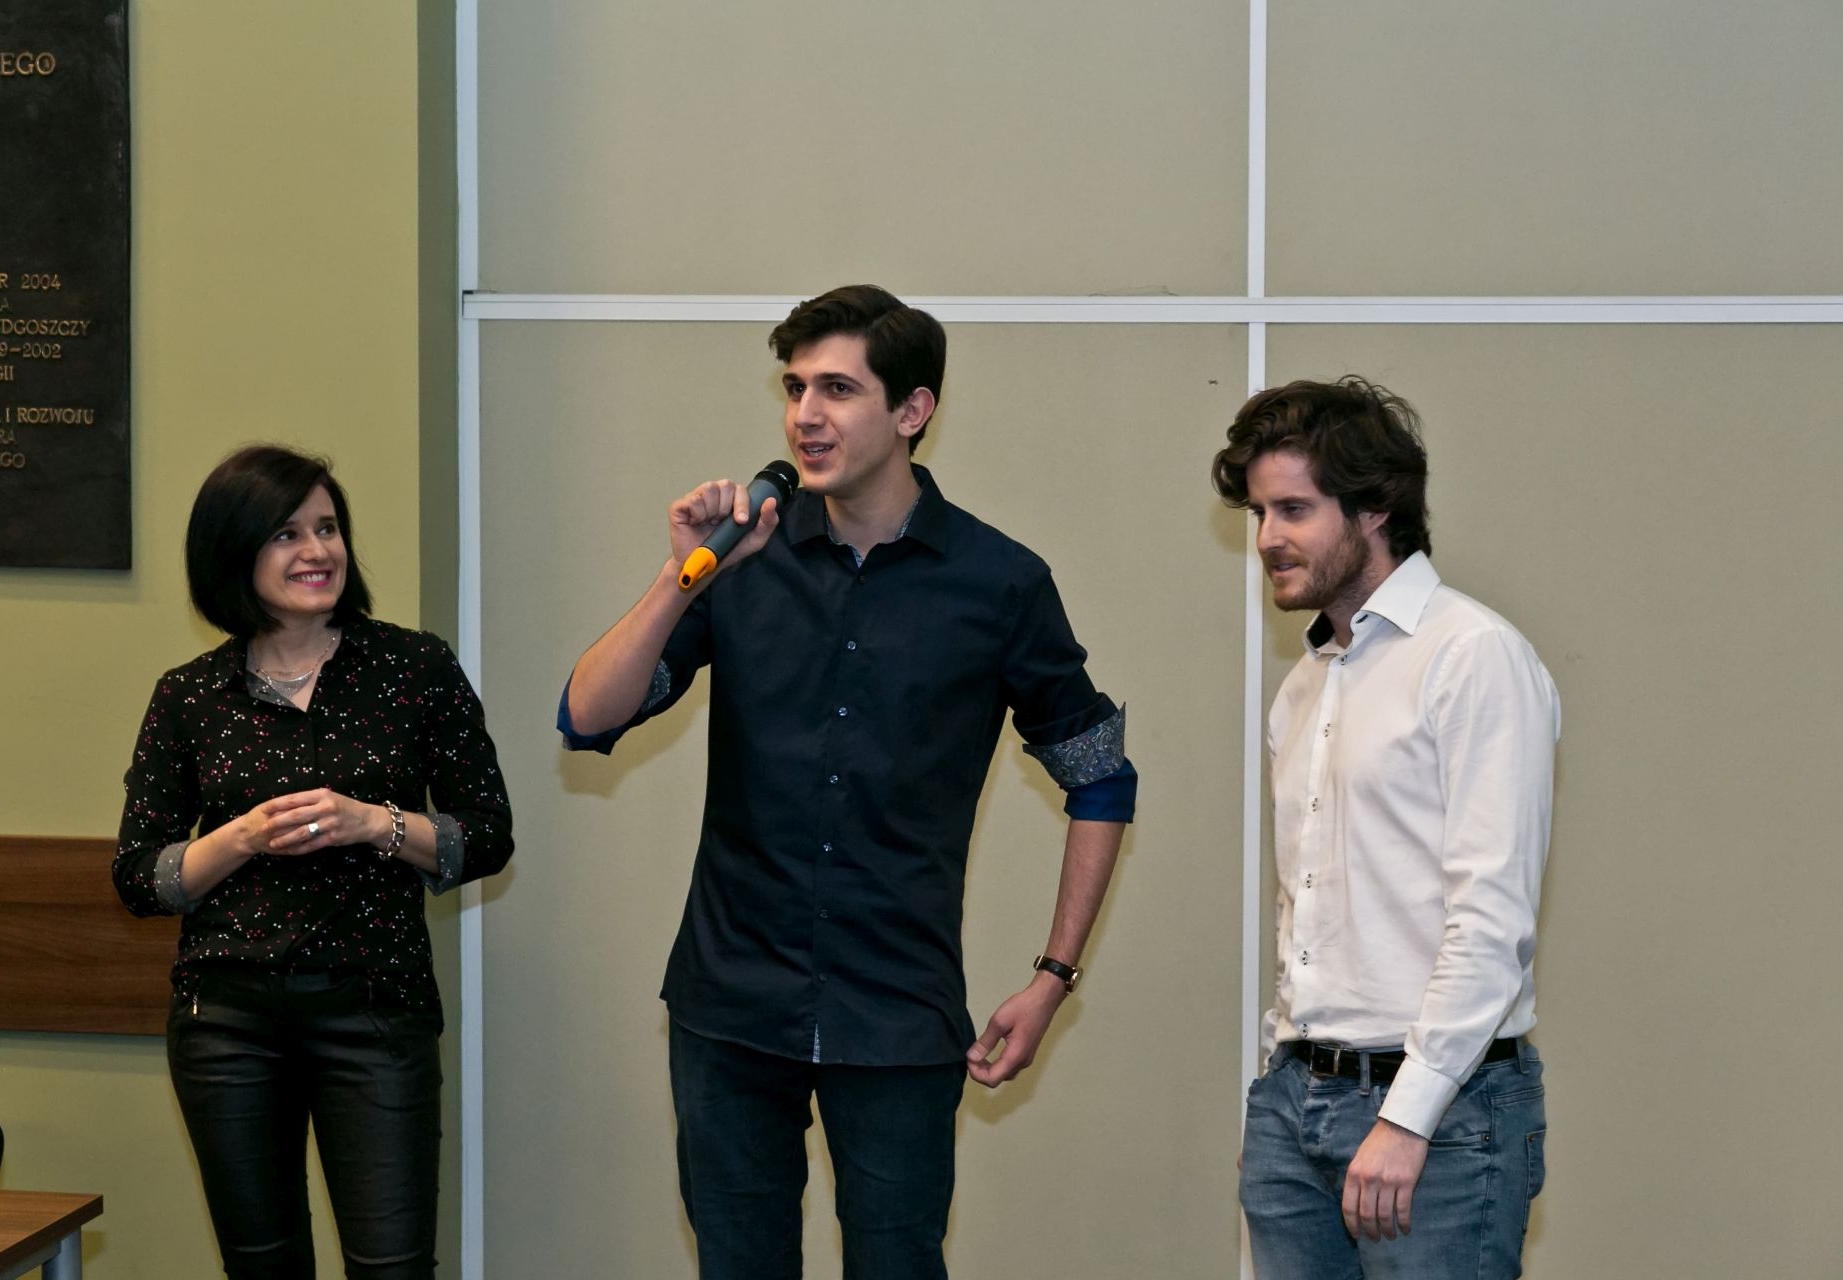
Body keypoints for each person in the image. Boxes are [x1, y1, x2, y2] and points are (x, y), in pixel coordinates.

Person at [559, 284, 1136, 1277]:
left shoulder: (1000, 582)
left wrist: (1055, 977)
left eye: (837, 388)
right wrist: (679, 577)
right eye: (794, 388)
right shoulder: (743, 559)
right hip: (729, 1006)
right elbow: (586, 716)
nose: (805, 415)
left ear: (912, 409)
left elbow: (1101, 778)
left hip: (897, 1012)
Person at [114, 445, 514, 1280]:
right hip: (226, 1022)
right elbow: (140, 877)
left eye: (327, 528)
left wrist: (374, 823)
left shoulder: (415, 668)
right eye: (286, 534)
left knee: (392, 1265)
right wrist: (241, 837)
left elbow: (486, 835)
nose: (317, 551)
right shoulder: (188, 695)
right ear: (234, 551)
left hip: (376, 1011)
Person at [1213, 378, 1559, 1278]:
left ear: (1375, 509)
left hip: (1440, 1117)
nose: (1267, 538)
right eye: (1259, 512)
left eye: (1294, 509)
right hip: (1296, 1105)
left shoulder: (1472, 656)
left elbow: (1491, 918)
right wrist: (1277, 1090)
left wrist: (1407, 1116)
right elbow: (1307, 910)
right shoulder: (1305, 687)